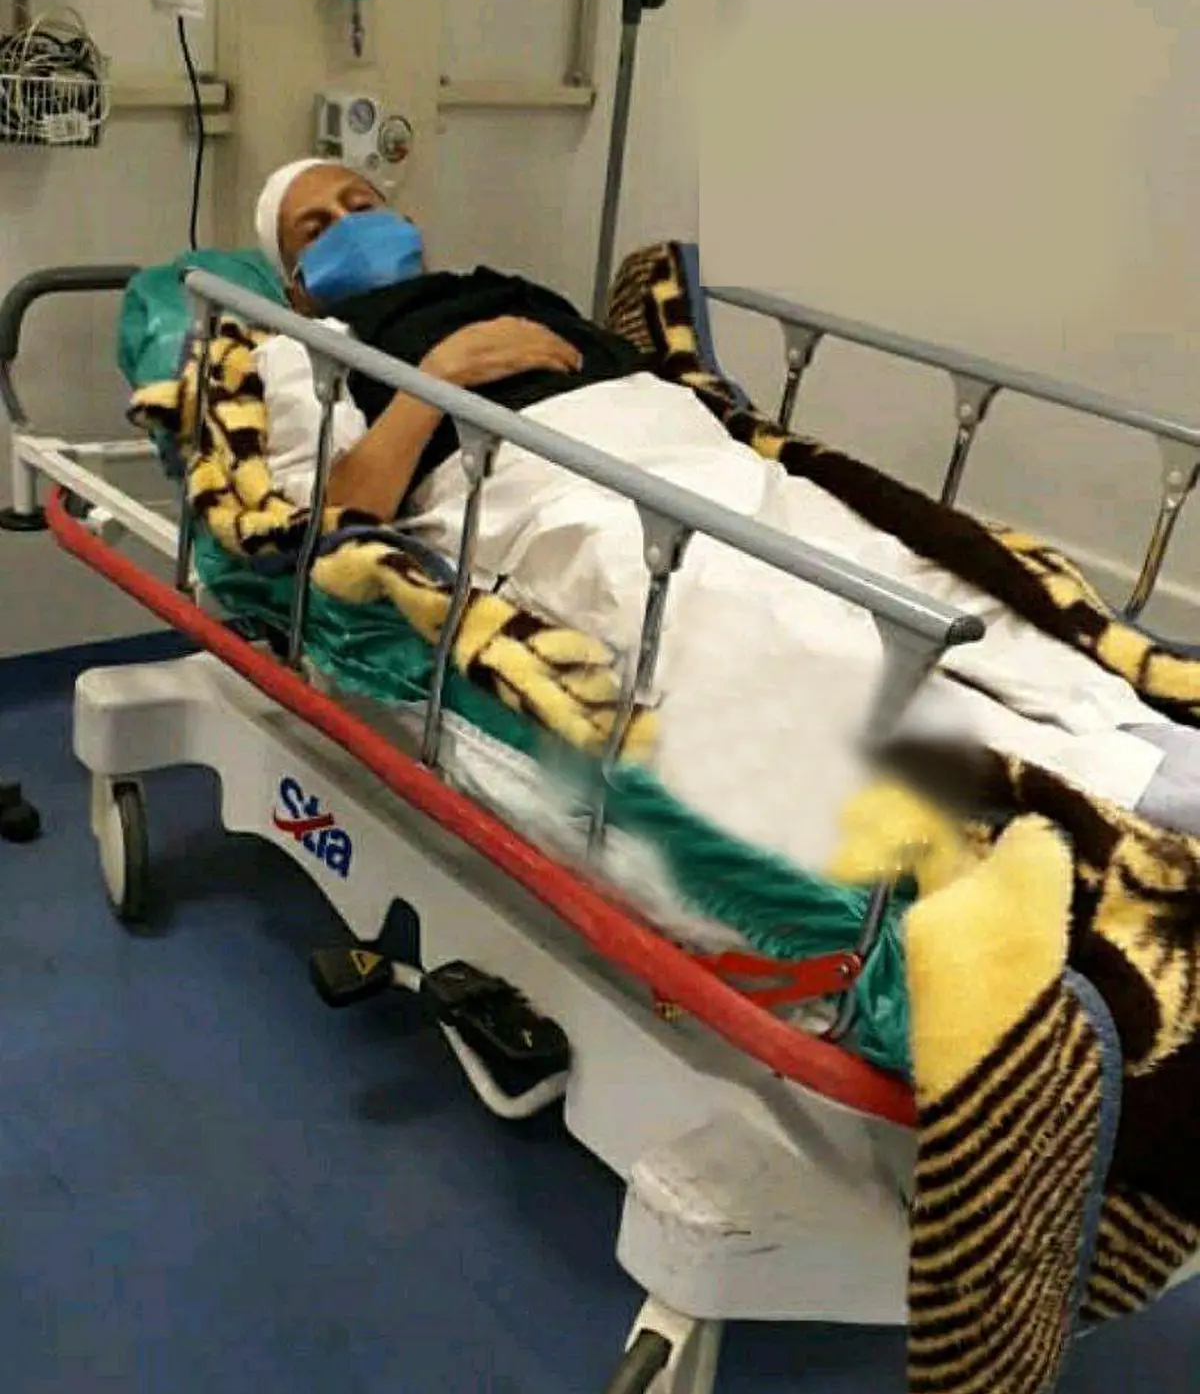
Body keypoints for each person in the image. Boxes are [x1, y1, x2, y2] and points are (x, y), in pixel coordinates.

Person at [251, 158, 1200, 869]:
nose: (349, 225)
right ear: (294, 281)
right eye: (315, 228)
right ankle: (1097, 793)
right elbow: (339, 515)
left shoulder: (505, 288)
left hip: (699, 452)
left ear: (406, 218)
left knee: (918, 580)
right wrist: (437, 378)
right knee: (786, 631)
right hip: (558, 493)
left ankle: (1138, 734)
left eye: (361, 203)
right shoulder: (308, 343)